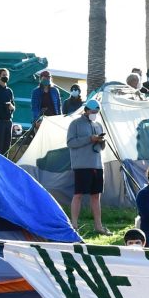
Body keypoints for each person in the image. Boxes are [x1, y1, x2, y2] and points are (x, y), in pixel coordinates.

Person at [66, 99, 110, 235]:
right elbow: (70, 143)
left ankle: (98, 226)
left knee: (96, 196)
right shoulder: (75, 124)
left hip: (97, 164)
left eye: (96, 112)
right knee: (78, 194)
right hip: (81, 165)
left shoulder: (98, 125)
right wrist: (89, 139)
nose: (95, 114)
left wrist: (101, 141)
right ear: (86, 110)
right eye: (93, 112)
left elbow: (101, 147)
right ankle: (74, 225)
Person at [0, 68, 15, 155]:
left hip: (8, 122)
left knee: (7, 149)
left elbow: (13, 106)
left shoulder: (9, 91)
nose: (6, 77)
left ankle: (4, 168)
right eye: (3, 75)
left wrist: (11, 107)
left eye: (7, 75)